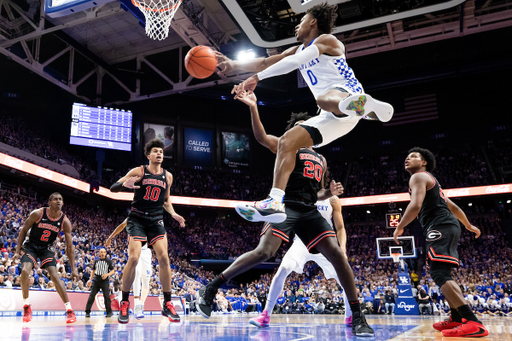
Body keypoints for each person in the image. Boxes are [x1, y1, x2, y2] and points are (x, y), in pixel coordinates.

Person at [195, 91, 374, 337]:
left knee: (338, 255)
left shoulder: (321, 158)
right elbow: (260, 137)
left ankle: (358, 316)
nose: (307, 130)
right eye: (302, 127)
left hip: (309, 209)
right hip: (286, 206)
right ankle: (211, 287)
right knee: (265, 252)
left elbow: (317, 195)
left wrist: (328, 192)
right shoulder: (286, 144)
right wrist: (253, 108)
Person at [218, 3, 393, 224]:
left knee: (323, 98)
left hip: (345, 93)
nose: (296, 26)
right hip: (333, 116)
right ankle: (274, 201)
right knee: (286, 142)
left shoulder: (328, 40)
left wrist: (257, 78)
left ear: (313, 22)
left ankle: (361, 108)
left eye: (301, 21)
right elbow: (264, 61)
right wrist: (234, 65)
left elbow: (294, 63)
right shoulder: (297, 49)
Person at [393, 147, 488, 337]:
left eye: (413, 156)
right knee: (443, 272)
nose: (407, 158)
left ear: (424, 162)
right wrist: (468, 225)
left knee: (438, 273)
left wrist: (400, 226)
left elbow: (415, 205)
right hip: (447, 225)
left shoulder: (419, 176)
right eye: (407, 156)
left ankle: (472, 322)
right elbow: (453, 206)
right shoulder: (433, 184)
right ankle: (456, 318)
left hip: (440, 226)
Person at [249, 192, 354, 327]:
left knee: (344, 276)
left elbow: (340, 228)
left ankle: (350, 316)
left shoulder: (333, 200)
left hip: (326, 242)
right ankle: (265, 315)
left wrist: (343, 249)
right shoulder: (300, 193)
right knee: (284, 269)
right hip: (301, 242)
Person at [110, 138, 186, 324]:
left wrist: (174, 214)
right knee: (134, 258)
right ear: (148, 155)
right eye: (155, 151)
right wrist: (124, 186)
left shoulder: (167, 176)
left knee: (164, 258)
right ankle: (125, 302)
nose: (159, 153)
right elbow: (113, 188)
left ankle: (167, 304)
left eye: (161, 151)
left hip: (156, 220)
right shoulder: (139, 171)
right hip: (137, 219)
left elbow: (166, 200)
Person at [13, 192, 77, 323]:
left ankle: (69, 310)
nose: (58, 201)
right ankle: (26, 306)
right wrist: (17, 250)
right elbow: (24, 230)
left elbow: (70, 247)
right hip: (31, 245)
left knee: (54, 275)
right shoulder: (38, 213)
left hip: (46, 248)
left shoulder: (65, 221)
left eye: (60, 199)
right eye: (55, 199)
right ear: (49, 202)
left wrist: (74, 268)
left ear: (63, 203)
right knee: (25, 271)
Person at [106, 218, 152, 319]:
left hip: (147, 251)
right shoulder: (133, 215)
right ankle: (136, 305)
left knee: (146, 282)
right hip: (134, 248)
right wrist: (110, 237)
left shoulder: (151, 216)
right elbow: (122, 225)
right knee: (137, 272)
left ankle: (141, 304)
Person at [84, 248, 115, 318]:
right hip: (96, 280)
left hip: (104, 280)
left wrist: (107, 275)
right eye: (101, 252)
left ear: (106, 253)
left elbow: (112, 271)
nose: (103, 253)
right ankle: (87, 312)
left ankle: (109, 312)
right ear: (99, 253)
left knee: (106, 296)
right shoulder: (96, 261)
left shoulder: (109, 261)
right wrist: (90, 280)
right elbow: (93, 271)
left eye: (104, 252)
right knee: (92, 295)